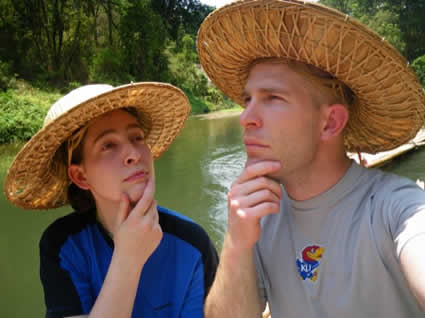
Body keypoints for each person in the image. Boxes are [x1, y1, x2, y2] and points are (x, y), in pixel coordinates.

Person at [196, 0, 425, 317]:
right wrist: (236, 241)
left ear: (330, 122)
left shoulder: (395, 206)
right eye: (248, 99)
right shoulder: (260, 217)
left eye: (272, 98)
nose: (245, 118)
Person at [4, 82, 218, 318]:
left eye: (137, 137)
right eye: (108, 145)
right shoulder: (64, 246)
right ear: (80, 176)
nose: (134, 155)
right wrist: (128, 260)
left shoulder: (193, 243)